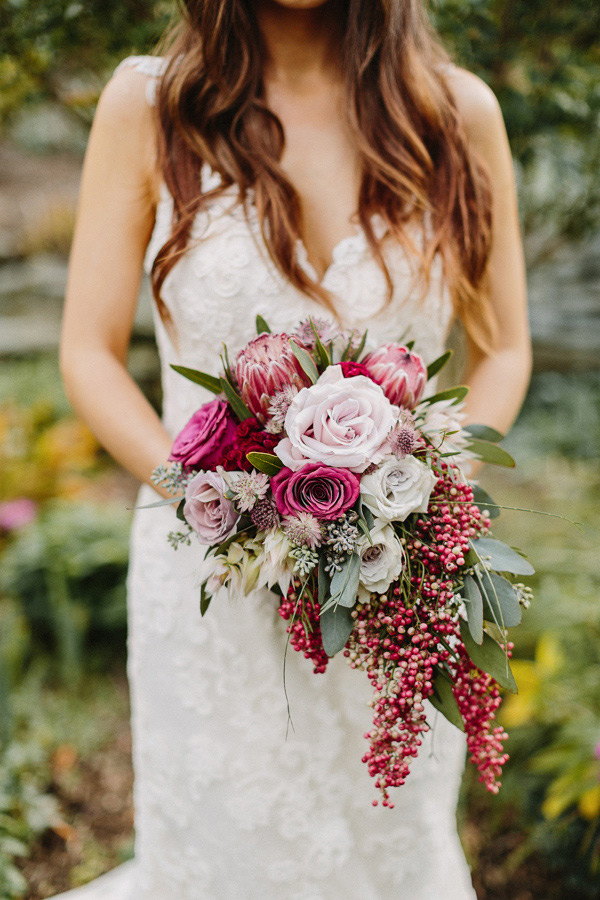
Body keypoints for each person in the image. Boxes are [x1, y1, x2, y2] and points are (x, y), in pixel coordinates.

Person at [57, 0, 532, 897]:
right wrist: (215, 505)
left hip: (395, 584)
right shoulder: (150, 105)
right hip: (213, 586)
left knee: (392, 851)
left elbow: (503, 348)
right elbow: (88, 352)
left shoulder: (455, 112)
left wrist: (428, 495)